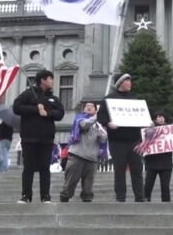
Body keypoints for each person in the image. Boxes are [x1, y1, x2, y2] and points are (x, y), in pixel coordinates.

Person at [13, 69, 65, 203]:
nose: (52, 81)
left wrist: (47, 112)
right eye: (50, 78)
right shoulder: (28, 94)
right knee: (28, 167)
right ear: (42, 80)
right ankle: (26, 195)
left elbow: (59, 113)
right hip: (29, 137)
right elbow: (17, 107)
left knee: (45, 168)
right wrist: (36, 109)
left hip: (46, 138)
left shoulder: (53, 98)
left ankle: (45, 195)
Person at [97, 73, 145, 202]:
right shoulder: (108, 99)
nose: (129, 83)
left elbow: (143, 115)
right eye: (126, 81)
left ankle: (140, 197)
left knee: (137, 169)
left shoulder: (136, 98)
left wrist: (147, 122)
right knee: (120, 169)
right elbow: (101, 117)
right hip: (117, 141)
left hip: (134, 139)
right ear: (119, 83)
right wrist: (108, 123)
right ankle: (120, 197)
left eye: (130, 81)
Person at [60, 102, 107, 202]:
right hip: (77, 155)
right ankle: (64, 201)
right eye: (87, 106)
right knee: (70, 183)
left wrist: (101, 136)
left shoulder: (99, 125)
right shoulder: (80, 118)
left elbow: (104, 139)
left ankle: (87, 201)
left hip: (92, 157)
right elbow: (84, 125)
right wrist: (96, 116)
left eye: (91, 106)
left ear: (95, 109)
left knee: (88, 187)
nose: (89, 107)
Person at [143, 113, 173, 202]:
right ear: (155, 119)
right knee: (148, 184)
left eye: (162, 116)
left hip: (166, 162)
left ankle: (166, 202)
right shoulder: (149, 129)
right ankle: (146, 199)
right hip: (152, 161)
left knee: (165, 185)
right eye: (159, 117)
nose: (161, 119)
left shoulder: (170, 129)